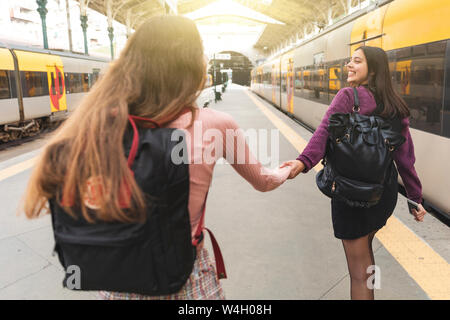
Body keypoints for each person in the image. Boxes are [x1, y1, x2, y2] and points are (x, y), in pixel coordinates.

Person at [22, 15, 295, 300]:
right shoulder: (215, 124)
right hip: (186, 281)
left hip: (118, 284)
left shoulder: (99, 124)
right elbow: (263, 181)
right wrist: (287, 170)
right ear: (192, 67)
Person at [281, 46, 427, 300]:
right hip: (382, 194)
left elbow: (324, 133)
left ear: (373, 70)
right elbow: (405, 157)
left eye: (357, 61)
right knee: (365, 252)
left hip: (351, 193)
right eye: (350, 60)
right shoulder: (395, 104)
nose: (349, 65)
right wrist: (415, 197)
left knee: (358, 273)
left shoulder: (349, 96)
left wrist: (302, 162)